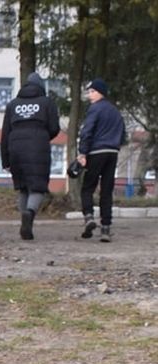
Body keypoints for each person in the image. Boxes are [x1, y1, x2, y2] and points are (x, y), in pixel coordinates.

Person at [0, 72, 60, 241]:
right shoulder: (47, 102)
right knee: (38, 187)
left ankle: (23, 221)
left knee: (23, 187)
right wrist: (42, 136)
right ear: (41, 87)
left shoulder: (13, 105)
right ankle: (30, 213)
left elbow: (5, 134)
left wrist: (5, 160)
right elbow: (54, 127)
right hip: (38, 146)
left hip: (15, 147)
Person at [77, 78, 128, 243]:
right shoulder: (115, 111)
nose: (90, 95)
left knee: (87, 187)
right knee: (106, 190)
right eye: (89, 92)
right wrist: (115, 145)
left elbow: (87, 131)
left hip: (96, 151)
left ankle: (89, 217)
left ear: (101, 92)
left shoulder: (95, 109)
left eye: (93, 91)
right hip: (112, 152)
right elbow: (123, 134)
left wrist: (82, 153)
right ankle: (106, 228)